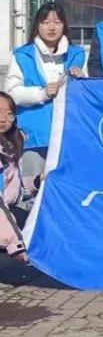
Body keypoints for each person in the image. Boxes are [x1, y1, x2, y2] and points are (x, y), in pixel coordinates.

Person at [3, 3, 87, 165]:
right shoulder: (23, 56)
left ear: (64, 26)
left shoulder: (77, 55)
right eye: (45, 22)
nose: (52, 27)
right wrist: (42, 94)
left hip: (69, 135)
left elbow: (85, 96)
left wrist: (82, 79)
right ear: (37, 25)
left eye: (57, 22)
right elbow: (11, 93)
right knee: (32, 179)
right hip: (33, 136)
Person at [0, 93, 33, 264]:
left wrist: (37, 182)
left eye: (9, 114)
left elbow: (11, 189)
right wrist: (16, 245)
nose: (3, 119)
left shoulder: (9, 145)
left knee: (33, 220)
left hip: (6, 211)